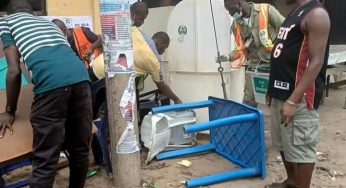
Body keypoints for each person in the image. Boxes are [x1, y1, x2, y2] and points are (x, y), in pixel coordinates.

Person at [0, 0, 92, 188]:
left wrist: (9, 111)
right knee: (80, 150)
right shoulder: (47, 23)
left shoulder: (6, 22)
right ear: (32, 12)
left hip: (52, 83)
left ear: (7, 12)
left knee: (46, 160)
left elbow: (14, 71)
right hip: (81, 78)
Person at [265, 0, 330, 187]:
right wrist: (271, 89)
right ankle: (292, 180)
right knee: (283, 144)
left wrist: (293, 101)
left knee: (301, 148)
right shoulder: (295, 12)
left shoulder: (317, 15)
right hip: (281, 93)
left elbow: (316, 62)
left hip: (298, 98)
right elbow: (281, 52)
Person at [218, 0, 284, 107]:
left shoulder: (266, 10)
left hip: (274, 63)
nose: (230, 14)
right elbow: (240, 49)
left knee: (278, 99)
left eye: (231, 10)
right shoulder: (236, 24)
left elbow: (287, 30)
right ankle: (248, 123)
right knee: (248, 101)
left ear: (239, 4)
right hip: (254, 67)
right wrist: (228, 56)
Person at [131, 2, 182, 104]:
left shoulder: (139, 34)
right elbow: (161, 85)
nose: (163, 52)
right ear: (160, 43)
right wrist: (176, 99)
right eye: (164, 48)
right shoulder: (153, 58)